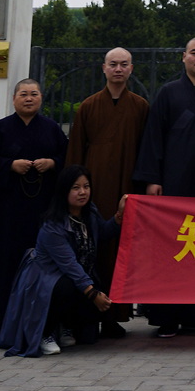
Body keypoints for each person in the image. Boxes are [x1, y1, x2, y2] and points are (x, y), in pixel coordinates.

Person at [132, 36, 195, 337]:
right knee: (172, 249)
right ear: (183, 57)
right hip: (174, 183)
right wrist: (153, 179)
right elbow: (153, 138)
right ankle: (167, 316)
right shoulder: (168, 93)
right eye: (194, 53)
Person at [0, 78, 67, 340]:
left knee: (41, 262)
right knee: (3, 261)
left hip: (42, 208)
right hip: (6, 209)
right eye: (23, 94)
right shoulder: (1, 128)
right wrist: (9, 166)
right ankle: (0, 318)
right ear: (14, 99)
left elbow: (67, 157)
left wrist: (52, 163)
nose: (29, 98)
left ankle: (42, 317)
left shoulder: (50, 129)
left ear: (41, 98)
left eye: (34, 94)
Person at [65, 46, 148, 338]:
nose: (118, 69)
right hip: (94, 189)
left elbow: (147, 153)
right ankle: (86, 314)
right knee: (91, 250)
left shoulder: (140, 106)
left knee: (121, 252)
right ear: (103, 68)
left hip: (127, 188)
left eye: (124, 64)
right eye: (113, 64)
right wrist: (76, 189)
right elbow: (75, 153)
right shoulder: (88, 106)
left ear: (131, 68)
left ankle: (114, 316)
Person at [0, 164, 120, 357]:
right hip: (46, 282)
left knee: (90, 333)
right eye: (75, 188)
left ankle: (65, 325)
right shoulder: (52, 225)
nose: (82, 192)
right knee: (68, 286)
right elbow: (69, 265)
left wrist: (119, 216)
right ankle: (45, 332)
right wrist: (93, 293)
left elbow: (103, 233)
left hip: (77, 279)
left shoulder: (90, 212)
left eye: (86, 186)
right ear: (64, 191)